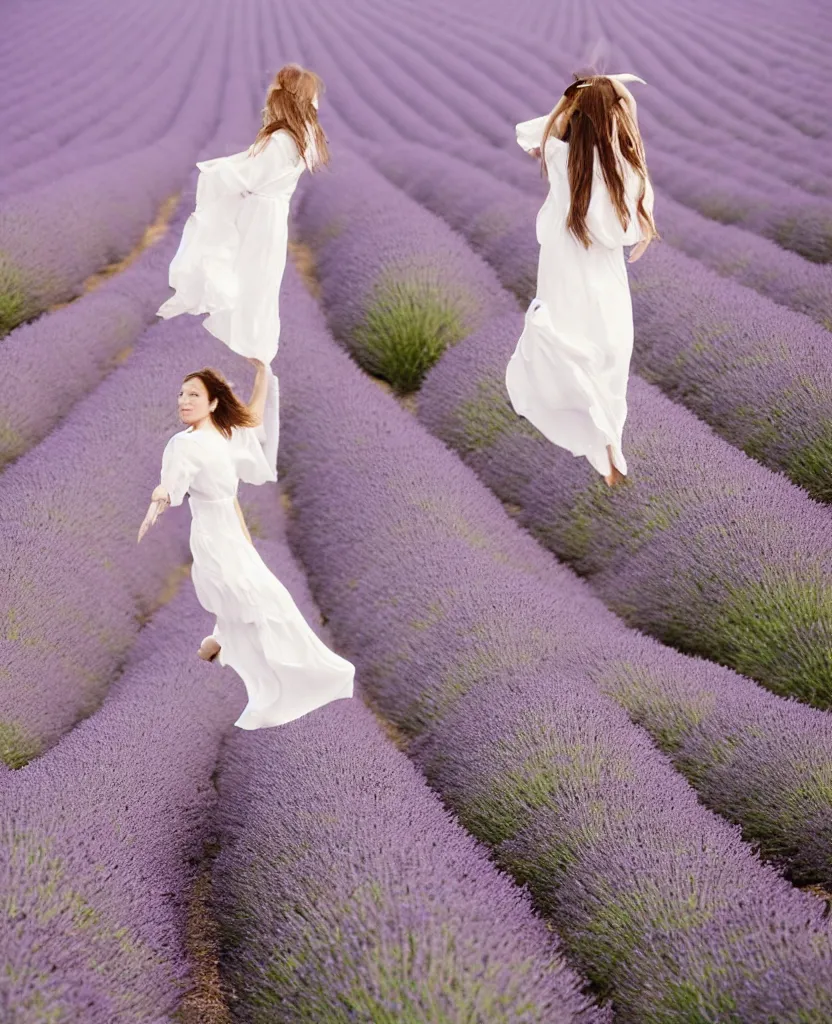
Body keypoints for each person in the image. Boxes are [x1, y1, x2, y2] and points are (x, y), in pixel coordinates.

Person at [137, 360, 354, 730]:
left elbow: (252, 416)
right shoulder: (182, 445)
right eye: (181, 394)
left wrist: (262, 374)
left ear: (213, 404)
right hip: (211, 536)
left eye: (193, 394)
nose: (183, 400)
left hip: (233, 531)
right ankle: (247, 663)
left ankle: (219, 647)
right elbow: (171, 488)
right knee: (251, 597)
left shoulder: (225, 435)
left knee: (264, 599)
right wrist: (158, 500)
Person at [506, 73, 658, 486]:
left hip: (563, 278)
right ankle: (611, 460)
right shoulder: (621, 172)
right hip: (601, 284)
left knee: (574, 356)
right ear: (614, 120)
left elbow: (533, 131)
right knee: (609, 367)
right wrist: (627, 107)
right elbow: (630, 229)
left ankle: (606, 456)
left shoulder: (559, 157)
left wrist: (571, 102)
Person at [157, 63, 329, 365]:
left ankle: (251, 364)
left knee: (249, 287)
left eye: (274, 91)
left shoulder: (281, 141)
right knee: (259, 289)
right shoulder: (305, 138)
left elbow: (248, 175)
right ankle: (254, 364)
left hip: (258, 220)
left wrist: (211, 170)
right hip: (271, 219)